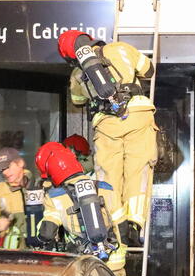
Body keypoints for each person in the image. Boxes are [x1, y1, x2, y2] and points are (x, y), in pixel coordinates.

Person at [58, 30, 157, 247]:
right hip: (138, 115)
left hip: (106, 125)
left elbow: (77, 101)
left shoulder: (77, 73)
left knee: (108, 177)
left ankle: (117, 225)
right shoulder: (121, 48)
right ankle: (135, 221)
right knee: (138, 169)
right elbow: (149, 70)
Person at [35, 142, 126, 276]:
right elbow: (122, 227)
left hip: (84, 268)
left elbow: (47, 233)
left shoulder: (55, 197)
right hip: (114, 267)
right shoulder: (106, 188)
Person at [0, 147, 40, 249]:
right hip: (12, 254)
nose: (4, 172)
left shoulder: (40, 186)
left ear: (20, 163)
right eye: (1, 169)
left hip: (40, 252)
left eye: (7, 167)